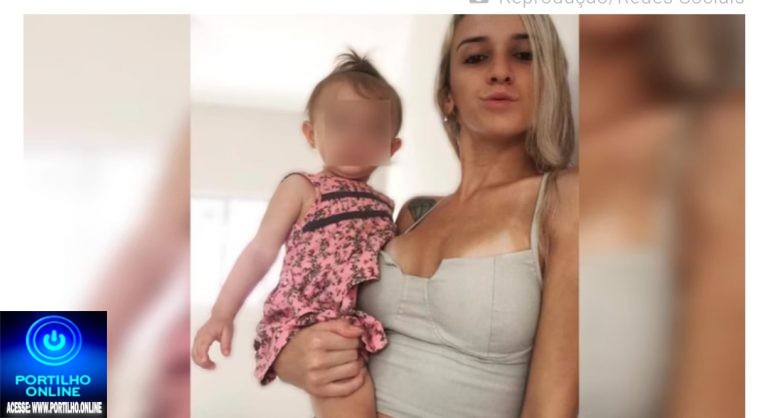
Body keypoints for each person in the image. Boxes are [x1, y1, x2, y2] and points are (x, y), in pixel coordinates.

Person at [272, 15, 578, 418]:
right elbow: (318, 297)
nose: (500, 71)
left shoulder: (566, 198)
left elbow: (551, 408)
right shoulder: (412, 214)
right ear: (447, 96)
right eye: (476, 57)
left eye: (524, 55)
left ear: (548, 81)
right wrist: (288, 357)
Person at [190, 50, 404, 418]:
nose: (355, 138)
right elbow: (260, 251)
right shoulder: (303, 187)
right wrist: (222, 313)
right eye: (341, 125)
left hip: (358, 321)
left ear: (391, 147)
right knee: (349, 394)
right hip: (310, 314)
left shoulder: (385, 206)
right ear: (311, 134)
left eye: (371, 129)